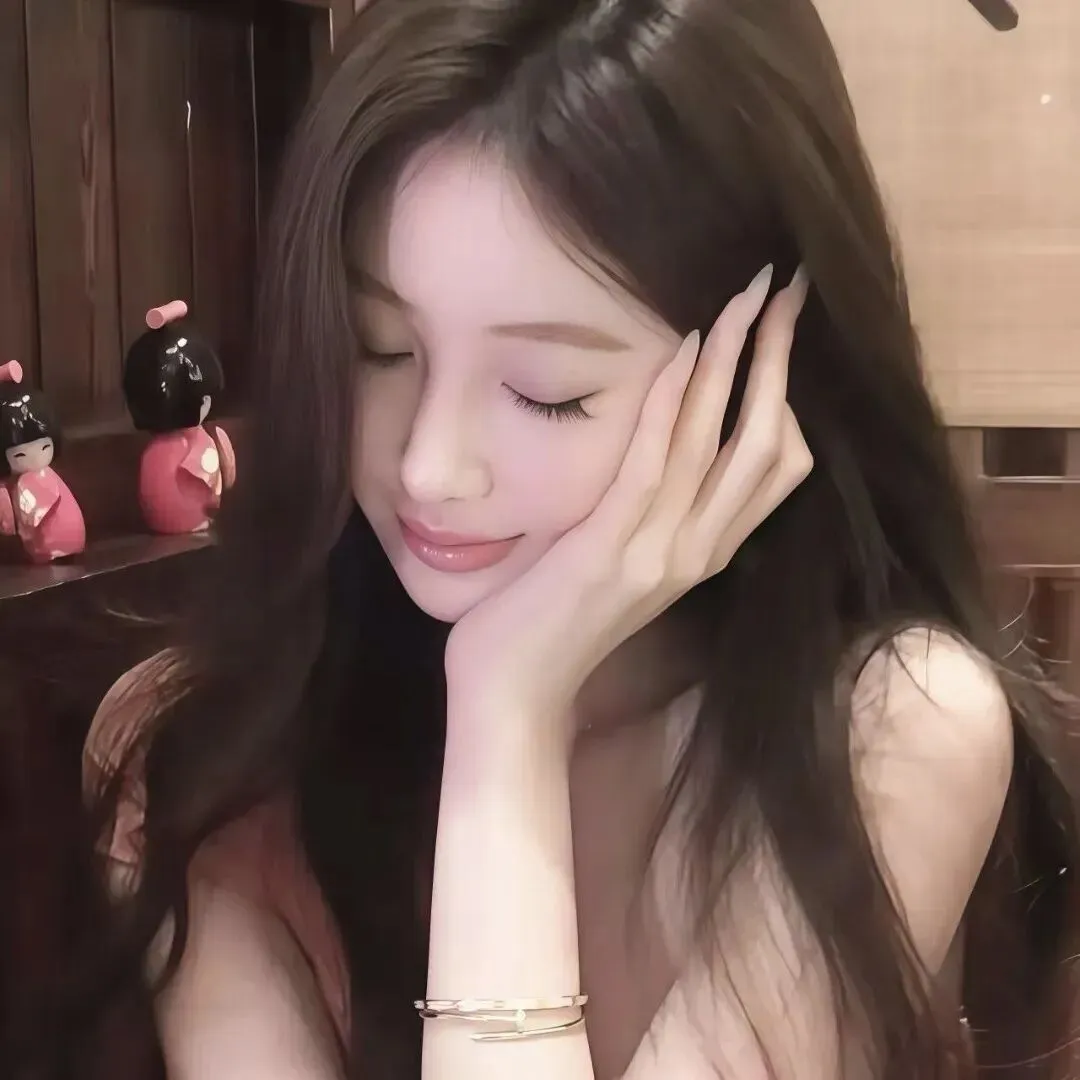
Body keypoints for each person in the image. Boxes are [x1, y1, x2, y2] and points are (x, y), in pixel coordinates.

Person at [13, 1, 1080, 1077]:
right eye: (378, 348)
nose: (429, 465)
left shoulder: (889, 733)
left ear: (761, 385)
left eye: (547, 391)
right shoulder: (200, 753)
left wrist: (505, 716)